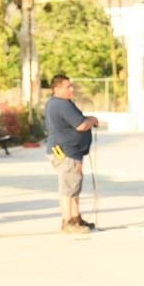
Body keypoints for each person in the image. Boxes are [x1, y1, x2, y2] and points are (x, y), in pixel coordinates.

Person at [44, 74, 98, 234]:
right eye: (68, 86)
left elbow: (78, 119)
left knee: (74, 185)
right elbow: (81, 125)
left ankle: (76, 217)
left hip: (72, 152)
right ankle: (68, 221)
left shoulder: (62, 103)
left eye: (71, 86)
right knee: (68, 187)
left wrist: (88, 120)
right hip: (65, 152)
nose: (71, 89)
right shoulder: (61, 104)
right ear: (57, 88)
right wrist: (93, 120)